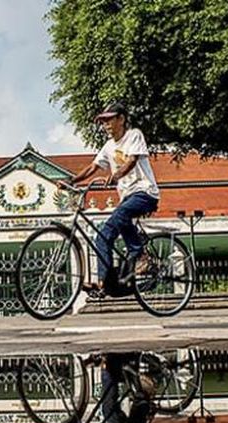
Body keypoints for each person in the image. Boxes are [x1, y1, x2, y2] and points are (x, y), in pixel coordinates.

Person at [67, 102, 160, 297]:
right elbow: (93, 167)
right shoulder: (108, 147)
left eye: (109, 119)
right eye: (103, 121)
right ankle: (104, 283)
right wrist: (71, 181)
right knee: (101, 236)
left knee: (120, 214)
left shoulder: (134, 135)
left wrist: (116, 175)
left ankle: (142, 256)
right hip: (127, 198)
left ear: (122, 118)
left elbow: (132, 160)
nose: (106, 125)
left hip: (145, 193)